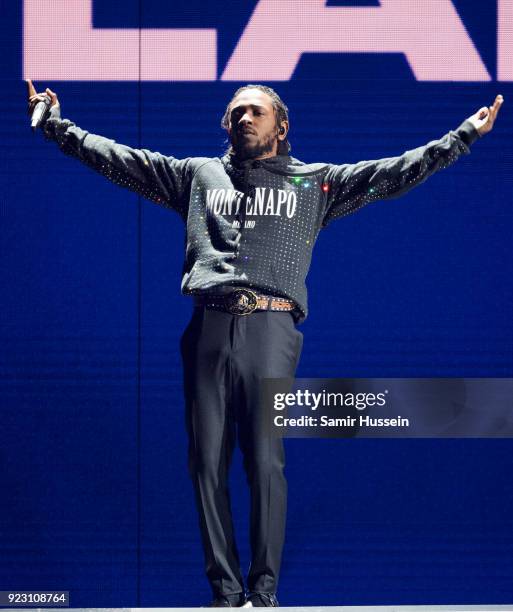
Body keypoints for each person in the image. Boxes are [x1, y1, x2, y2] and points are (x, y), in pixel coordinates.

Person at [28, 81, 503, 607]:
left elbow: (389, 174)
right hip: (208, 326)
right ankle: (226, 594)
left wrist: (462, 137)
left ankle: (264, 591)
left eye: (256, 111)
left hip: (271, 328)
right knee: (205, 460)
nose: (244, 118)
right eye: (235, 112)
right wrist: (56, 125)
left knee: (264, 459)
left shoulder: (313, 184)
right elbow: (119, 159)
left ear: (282, 126)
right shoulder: (196, 176)